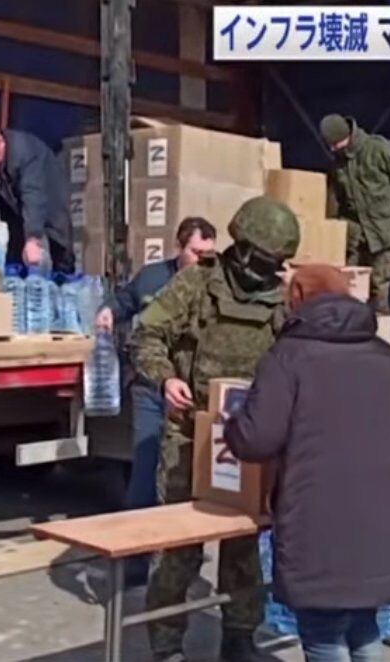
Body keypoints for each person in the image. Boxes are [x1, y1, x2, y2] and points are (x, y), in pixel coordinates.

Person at [223, 264, 390, 662]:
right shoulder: (385, 356)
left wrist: (229, 423)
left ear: (297, 299)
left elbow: (256, 439)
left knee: (323, 635)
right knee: (364, 626)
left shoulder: (287, 357)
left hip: (317, 516)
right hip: (385, 515)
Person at [133, 197, 300, 662]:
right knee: (177, 547)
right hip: (190, 434)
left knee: (243, 540)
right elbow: (147, 334)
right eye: (262, 261)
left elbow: (295, 358)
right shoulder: (197, 283)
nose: (267, 271)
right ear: (242, 248)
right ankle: (166, 645)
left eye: (274, 263)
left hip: (247, 437)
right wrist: (165, 378)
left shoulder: (281, 299)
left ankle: (240, 635)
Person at [93, 216, 217, 585]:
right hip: (151, 388)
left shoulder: (216, 283)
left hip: (191, 393)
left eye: (209, 253)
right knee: (145, 469)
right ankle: (135, 561)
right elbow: (125, 301)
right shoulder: (152, 278)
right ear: (179, 247)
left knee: (187, 474)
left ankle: (180, 559)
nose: (203, 259)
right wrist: (109, 312)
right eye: (196, 252)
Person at [320, 113, 390, 315]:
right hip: (355, 232)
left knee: (380, 280)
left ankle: (380, 319)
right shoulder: (338, 163)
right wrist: (330, 228)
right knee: (347, 280)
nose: (333, 149)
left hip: (386, 228)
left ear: (346, 136)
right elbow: (335, 196)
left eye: (336, 144)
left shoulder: (380, 149)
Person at [0, 121, 74, 273]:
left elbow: (33, 195)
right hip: (10, 195)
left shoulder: (25, 152)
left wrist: (33, 238)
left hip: (46, 186)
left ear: (1, 143)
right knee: (16, 240)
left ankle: (64, 275)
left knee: (58, 236)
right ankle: (15, 279)